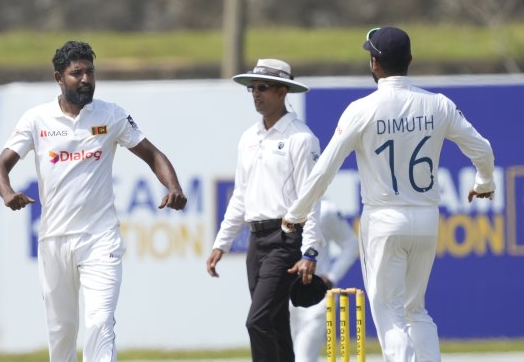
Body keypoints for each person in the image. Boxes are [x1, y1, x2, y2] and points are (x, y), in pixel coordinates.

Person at [282, 26, 495, 362]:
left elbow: (323, 171)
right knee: (416, 310)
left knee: (390, 314)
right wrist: (484, 182)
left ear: (374, 64)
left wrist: (295, 214)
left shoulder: (361, 109)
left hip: (383, 219)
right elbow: (482, 149)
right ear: (410, 60)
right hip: (426, 219)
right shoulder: (438, 105)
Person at [0, 41, 187, 362]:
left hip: (100, 239)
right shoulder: (37, 119)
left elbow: (152, 154)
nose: (85, 80)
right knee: (61, 331)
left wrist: (173, 185)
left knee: (99, 323)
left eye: (90, 72)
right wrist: (8, 193)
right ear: (59, 77)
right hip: (54, 240)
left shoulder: (111, 115)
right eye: (76, 73)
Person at [206, 59, 323, 362]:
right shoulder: (248, 137)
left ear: (283, 91)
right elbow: (240, 196)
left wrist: (310, 251)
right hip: (256, 243)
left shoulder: (301, 138)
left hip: (285, 241)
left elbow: (311, 199)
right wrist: (222, 242)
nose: (255, 93)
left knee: (256, 321)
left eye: (262, 87)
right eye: (252, 88)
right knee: (274, 323)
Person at [289, 199, 359, 362]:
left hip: (317, 295)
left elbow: (351, 243)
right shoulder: (280, 206)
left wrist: (332, 276)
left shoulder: (326, 210)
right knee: (286, 355)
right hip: (287, 294)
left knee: (304, 357)